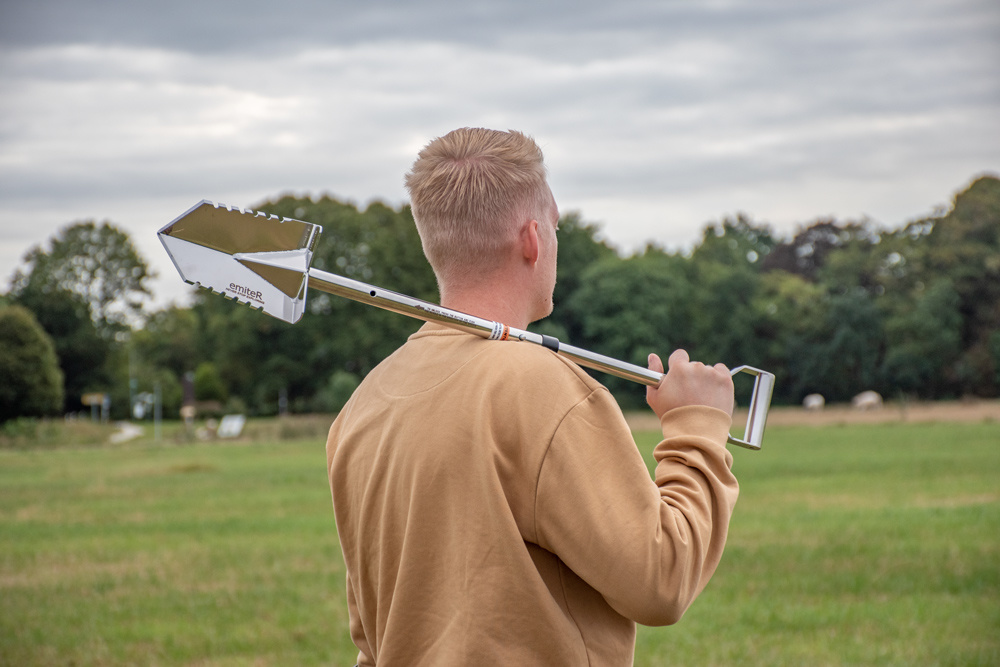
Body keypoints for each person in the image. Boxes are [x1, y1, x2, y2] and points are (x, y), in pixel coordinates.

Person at [326, 127, 739, 666]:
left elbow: (373, 636)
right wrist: (696, 428)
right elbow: (660, 578)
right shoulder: (539, 385)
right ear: (533, 238)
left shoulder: (365, 401)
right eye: (558, 226)